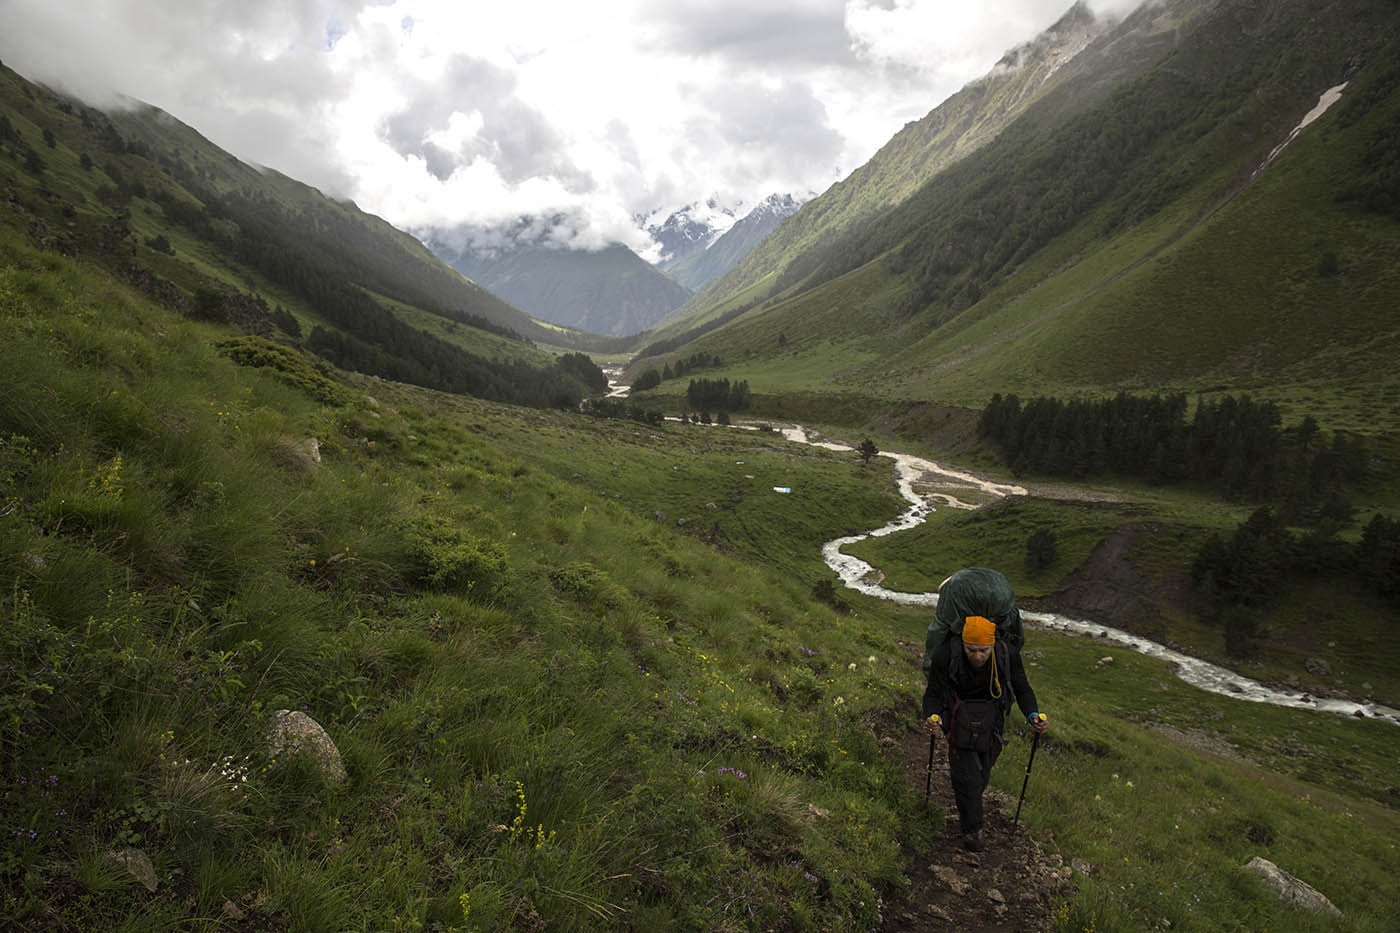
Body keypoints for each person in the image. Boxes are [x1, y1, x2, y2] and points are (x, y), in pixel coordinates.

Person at [922, 614, 1048, 851]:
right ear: (963, 645)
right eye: (972, 650)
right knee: (966, 774)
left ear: (992, 645)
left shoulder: (1006, 654)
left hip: (992, 718)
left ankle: (969, 805)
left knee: (982, 774)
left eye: (983, 650)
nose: (978, 656)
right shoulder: (946, 654)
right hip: (957, 715)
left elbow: (1022, 687)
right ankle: (972, 830)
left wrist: (1032, 714)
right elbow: (933, 693)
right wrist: (931, 716)